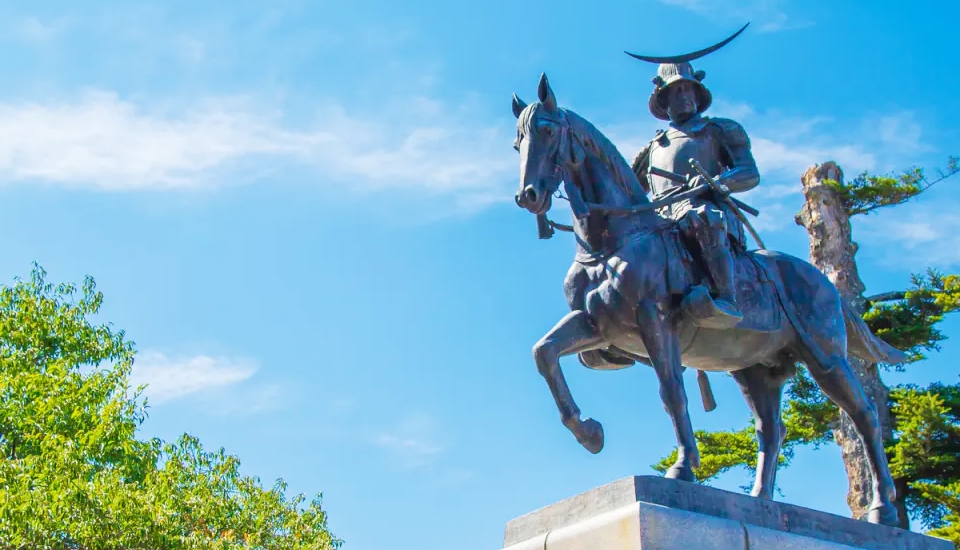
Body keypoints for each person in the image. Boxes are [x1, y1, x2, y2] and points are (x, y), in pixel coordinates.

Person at [630, 60, 760, 329]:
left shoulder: (719, 130)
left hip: (706, 212)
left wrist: (716, 182)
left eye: (689, 90)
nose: (684, 96)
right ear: (663, 100)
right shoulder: (653, 148)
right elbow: (630, 191)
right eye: (676, 92)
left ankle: (726, 298)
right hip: (663, 219)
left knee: (702, 217)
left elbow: (749, 173)